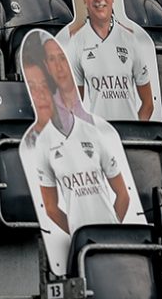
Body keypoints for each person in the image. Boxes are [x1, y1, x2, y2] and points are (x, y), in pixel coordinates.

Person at [23, 50, 131, 235]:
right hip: (82, 244)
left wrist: (112, 229)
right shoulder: (44, 143)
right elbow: (51, 208)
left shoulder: (92, 131)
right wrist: (78, 234)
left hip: (112, 236)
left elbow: (123, 195)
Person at [59, 0, 156, 122]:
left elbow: (148, 104)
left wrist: (136, 132)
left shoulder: (131, 40)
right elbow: (75, 105)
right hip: (98, 140)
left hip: (129, 142)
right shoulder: (76, 43)